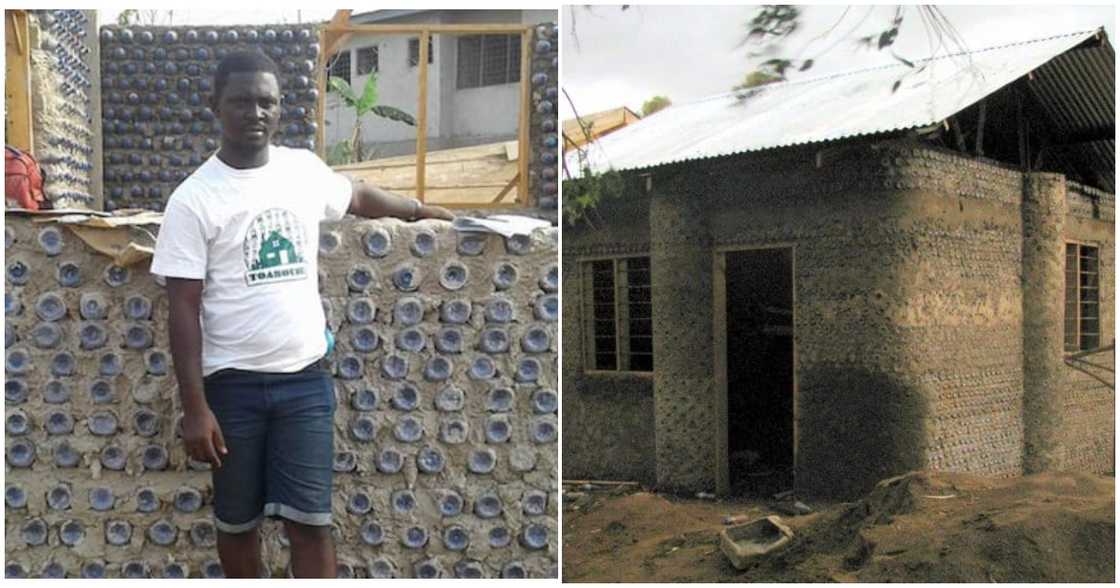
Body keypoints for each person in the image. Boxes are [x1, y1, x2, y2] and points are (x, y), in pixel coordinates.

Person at [150, 50, 453, 578]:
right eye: (242, 101)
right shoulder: (194, 199)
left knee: (311, 523)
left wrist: (419, 209)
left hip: (305, 386)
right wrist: (195, 408)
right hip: (233, 387)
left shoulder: (301, 171)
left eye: (267, 102)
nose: (256, 113)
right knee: (237, 525)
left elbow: (356, 197)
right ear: (215, 106)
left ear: (280, 107)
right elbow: (182, 306)